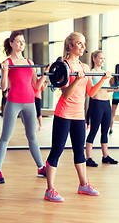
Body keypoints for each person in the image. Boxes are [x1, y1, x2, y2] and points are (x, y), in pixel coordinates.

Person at [44, 32, 111, 202]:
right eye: (79, 43)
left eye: (84, 43)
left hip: (79, 115)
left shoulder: (85, 68)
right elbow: (65, 94)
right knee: (57, 151)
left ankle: (83, 184)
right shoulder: (63, 66)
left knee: (79, 151)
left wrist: (102, 80)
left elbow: (91, 93)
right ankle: (50, 190)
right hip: (63, 114)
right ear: (70, 46)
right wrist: (75, 80)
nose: (83, 47)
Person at [0, 32, 50, 184]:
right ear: (11, 43)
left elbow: (37, 85)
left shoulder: (30, 62)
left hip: (30, 103)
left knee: (32, 136)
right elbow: (4, 88)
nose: (21, 44)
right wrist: (4, 71)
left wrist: (46, 73)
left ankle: (40, 168)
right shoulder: (8, 62)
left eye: (23, 41)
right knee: (5, 137)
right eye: (18, 41)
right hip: (14, 102)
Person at [86, 50, 119, 167]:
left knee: (105, 131)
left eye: (104, 59)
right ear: (94, 59)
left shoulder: (105, 73)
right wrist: (103, 79)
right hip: (97, 104)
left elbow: (105, 89)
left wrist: (115, 89)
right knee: (94, 130)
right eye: (100, 58)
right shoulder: (91, 73)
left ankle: (105, 156)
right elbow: (92, 90)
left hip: (106, 104)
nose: (102, 61)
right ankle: (88, 158)